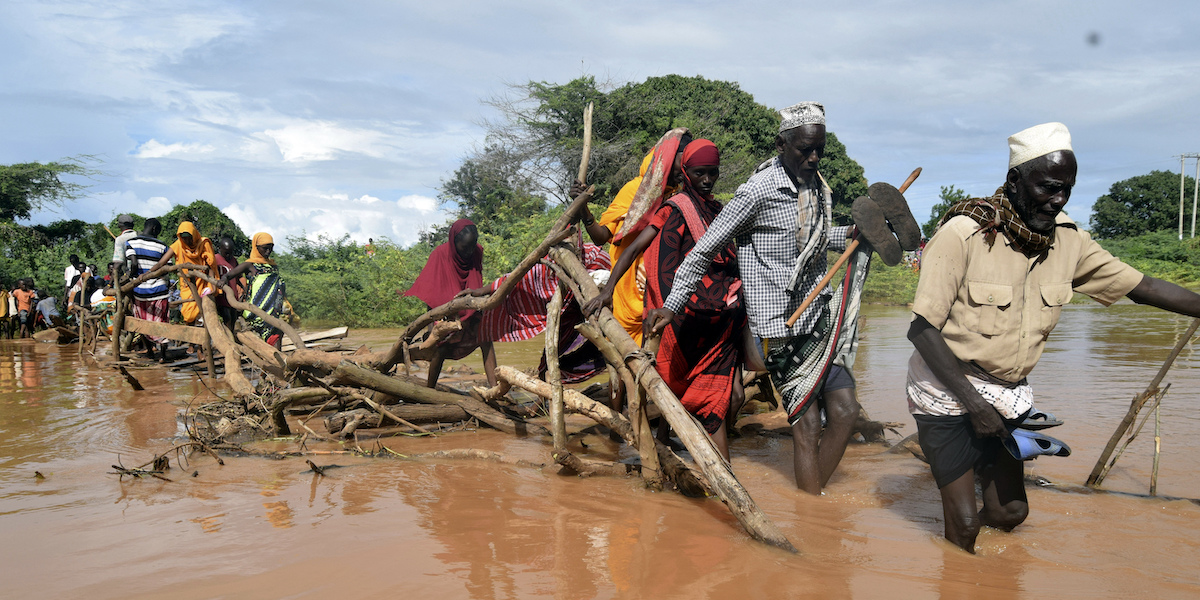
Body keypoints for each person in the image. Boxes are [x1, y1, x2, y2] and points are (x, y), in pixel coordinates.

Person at [906, 122, 1200, 554]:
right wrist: (975, 405)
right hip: (946, 387)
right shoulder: (963, 235)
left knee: (1009, 514)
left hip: (1007, 393)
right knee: (966, 526)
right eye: (1047, 187)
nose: (1058, 199)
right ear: (1014, 180)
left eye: (1066, 189)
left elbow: (1145, 287)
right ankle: (958, 548)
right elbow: (921, 330)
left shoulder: (1069, 241)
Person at [646, 102, 876, 494]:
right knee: (805, 425)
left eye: (819, 148)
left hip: (818, 319)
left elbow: (816, 243)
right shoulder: (757, 192)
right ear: (782, 143)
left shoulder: (816, 188)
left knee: (846, 412)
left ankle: (814, 505)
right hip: (778, 328)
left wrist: (855, 234)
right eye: (805, 149)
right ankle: (813, 512)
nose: (814, 157)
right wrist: (672, 304)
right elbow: (703, 250)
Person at [593, 140, 745, 459]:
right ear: (686, 172)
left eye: (712, 174)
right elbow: (635, 248)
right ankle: (671, 452)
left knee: (721, 398)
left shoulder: (719, 210)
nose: (706, 180)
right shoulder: (674, 207)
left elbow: (736, 256)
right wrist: (607, 290)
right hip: (683, 313)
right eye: (700, 173)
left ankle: (711, 473)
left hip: (719, 321)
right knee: (677, 387)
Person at [572, 129, 691, 346]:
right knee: (627, 355)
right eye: (681, 160)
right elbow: (601, 237)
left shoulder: (681, 195)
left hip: (662, 289)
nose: (684, 169)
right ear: (667, 159)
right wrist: (583, 207)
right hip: (628, 287)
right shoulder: (635, 191)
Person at [403, 219, 497, 388]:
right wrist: (432, 328)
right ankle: (429, 389)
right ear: (454, 242)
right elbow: (431, 291)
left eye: (472, 246)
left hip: (470, 306)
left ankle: (495, 388)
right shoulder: (440, 255)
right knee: (441, 348)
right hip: (446, 310)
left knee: (486, 338)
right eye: (464, 247)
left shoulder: (477, 252)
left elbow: (475, 280)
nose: (469, 251)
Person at [219, 233, 289, 348]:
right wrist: (223, 280)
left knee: (277, 334)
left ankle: (276, 363)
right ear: (256, 247)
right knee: (265, 341)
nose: (268, 252)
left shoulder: (272, 266)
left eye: (270, 248)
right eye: (265, 248)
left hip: (272, 312)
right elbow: (228, 275)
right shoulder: (249, 265)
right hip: (255, 312)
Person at [150, 221, 216, 325]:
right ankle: (192, 336)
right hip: (187, 284)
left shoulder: (203, 244)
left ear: (193, 235)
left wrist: (213, 286)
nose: (186, 240)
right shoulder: (178, 245)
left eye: (189, 237)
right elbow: (161, 263)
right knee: (188, 313)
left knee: (204, 312)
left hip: (203, 283)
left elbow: (210, 265)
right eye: (183, 237)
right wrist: (148, 273)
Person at [126, 218, 171, 359]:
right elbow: (167, 268)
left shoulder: (131, 243)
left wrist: (134, 277)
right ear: (154, 229)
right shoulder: (163, 246)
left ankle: (151, 352)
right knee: (162, 322)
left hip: (139, 291)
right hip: (159, 290)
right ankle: (163, 355)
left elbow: (133, 265)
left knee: (142, 323)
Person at [213, 236, 243, 330]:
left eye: (230, 252)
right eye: (226, 252)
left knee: (233, 320)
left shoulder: (234, 260)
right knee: (227, 318)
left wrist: (243, 289)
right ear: (220, 249)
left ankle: (231, 339)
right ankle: (227, 340)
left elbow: (238, 277)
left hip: (233, 297)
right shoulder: (215, 259)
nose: (228, 255)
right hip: (221, 297)